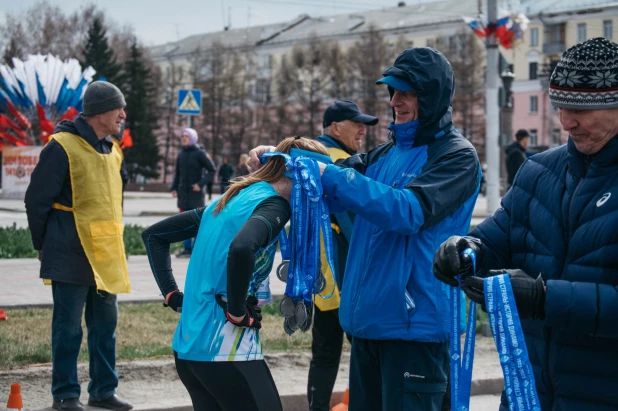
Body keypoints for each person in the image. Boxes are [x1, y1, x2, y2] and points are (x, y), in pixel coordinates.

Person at [249, 47, 480, 411]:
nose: (395, 101)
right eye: (392, 92)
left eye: (406, 92)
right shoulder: (386, 155)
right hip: (368, 327)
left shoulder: (456, 157)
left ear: (432, 96)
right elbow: (336, 184)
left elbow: (406, 211)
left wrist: (330, 175)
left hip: (413, 332)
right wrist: (280, 157)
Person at [432, 37, 618, 411]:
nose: (566, 122)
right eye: (561, 106)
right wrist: (466, 249)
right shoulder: (539, 172)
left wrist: (544, 298)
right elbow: (498, 237)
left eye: (581, 109)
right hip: (529, 393)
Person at [141, 136, 330, 411]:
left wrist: (171, 293)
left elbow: (154, 236)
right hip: (226, 351)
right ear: (299, 173)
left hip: (189, 350)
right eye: (320, 178)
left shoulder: (234, 198)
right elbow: (242, 248)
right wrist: (237, 312)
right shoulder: (276, 204)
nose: (321, 190)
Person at [25, 81, 133, 411]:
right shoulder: (61, 147)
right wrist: (44, 244)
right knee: (68, 330)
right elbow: (36, 200)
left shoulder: (113, 150)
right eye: (119, 108)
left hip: (105, 256)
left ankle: (103, 391)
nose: (123, 115)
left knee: (105, 328)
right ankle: (65, 395)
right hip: (69, 252)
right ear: (101, 111)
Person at [308, 100, 378, 411]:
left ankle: (317, 407)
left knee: (324, 353)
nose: (363, 130)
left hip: (321, 276)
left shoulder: (310, 157)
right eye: (356, 124)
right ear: (336, 127)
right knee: (368, 353)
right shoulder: (343, 163)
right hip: (349, 272)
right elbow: (356, 225)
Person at [170, 128, 215, 257]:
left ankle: (196, 249)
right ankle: (187, 249)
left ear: (193, 138)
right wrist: (174, 188)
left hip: (196, 195)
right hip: (183, 195)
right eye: (182, 136)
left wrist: (200, 185)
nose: (183, 138)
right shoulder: (181, 154)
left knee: (195, 222)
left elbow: (212, 170)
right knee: (183, 223)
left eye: (186, 136)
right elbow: (177, 174)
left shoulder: (200, 153)